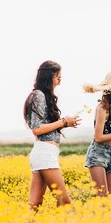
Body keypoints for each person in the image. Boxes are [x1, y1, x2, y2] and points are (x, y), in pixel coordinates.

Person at [23, 60, 81, 211]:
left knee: (35, 203)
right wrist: (62, 122)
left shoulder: (41, 95)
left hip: (44, 153)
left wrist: (66, 123)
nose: (59, 83)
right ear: (49, 76)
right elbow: (36, 129)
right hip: (44, 154)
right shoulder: (38, 95)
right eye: (58, 78)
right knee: (64, 201)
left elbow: (45, 127)